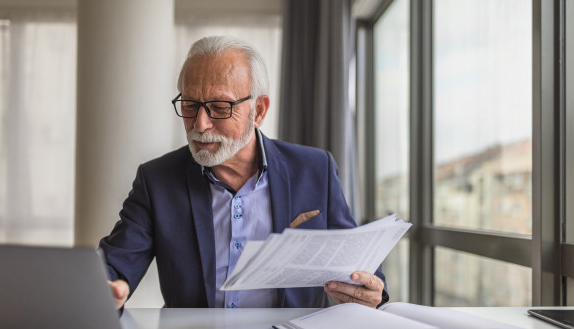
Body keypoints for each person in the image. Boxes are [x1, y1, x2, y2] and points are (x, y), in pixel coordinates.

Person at [100, 35, 389, 309]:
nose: (200, 124)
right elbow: (115, 262)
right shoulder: (157, 180)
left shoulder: (315, 169)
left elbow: (357, 260)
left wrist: (370, 289)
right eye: (190, 105)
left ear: (259, 111)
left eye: (219, 107)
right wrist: (106, 288)